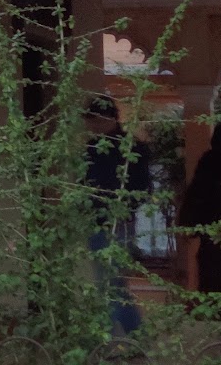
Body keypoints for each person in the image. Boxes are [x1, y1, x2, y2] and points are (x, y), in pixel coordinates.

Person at [83, 96, 152, 336]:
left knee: (110, 283)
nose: (92, 125)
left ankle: (106, 338)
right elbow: (85, 185)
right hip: (96, 222)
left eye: (95, 120)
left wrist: (122, 208)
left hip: (119, 222)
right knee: (113, 283)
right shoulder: (91, 148)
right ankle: (136, 336)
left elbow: (143, 189)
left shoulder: (132, 148)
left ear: (109, 118)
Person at [180, 123, 221, 313]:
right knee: (211, 279)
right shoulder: (209, 162)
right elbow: (196, 193)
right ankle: (218, 320)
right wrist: (188, 223)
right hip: (212, 235)